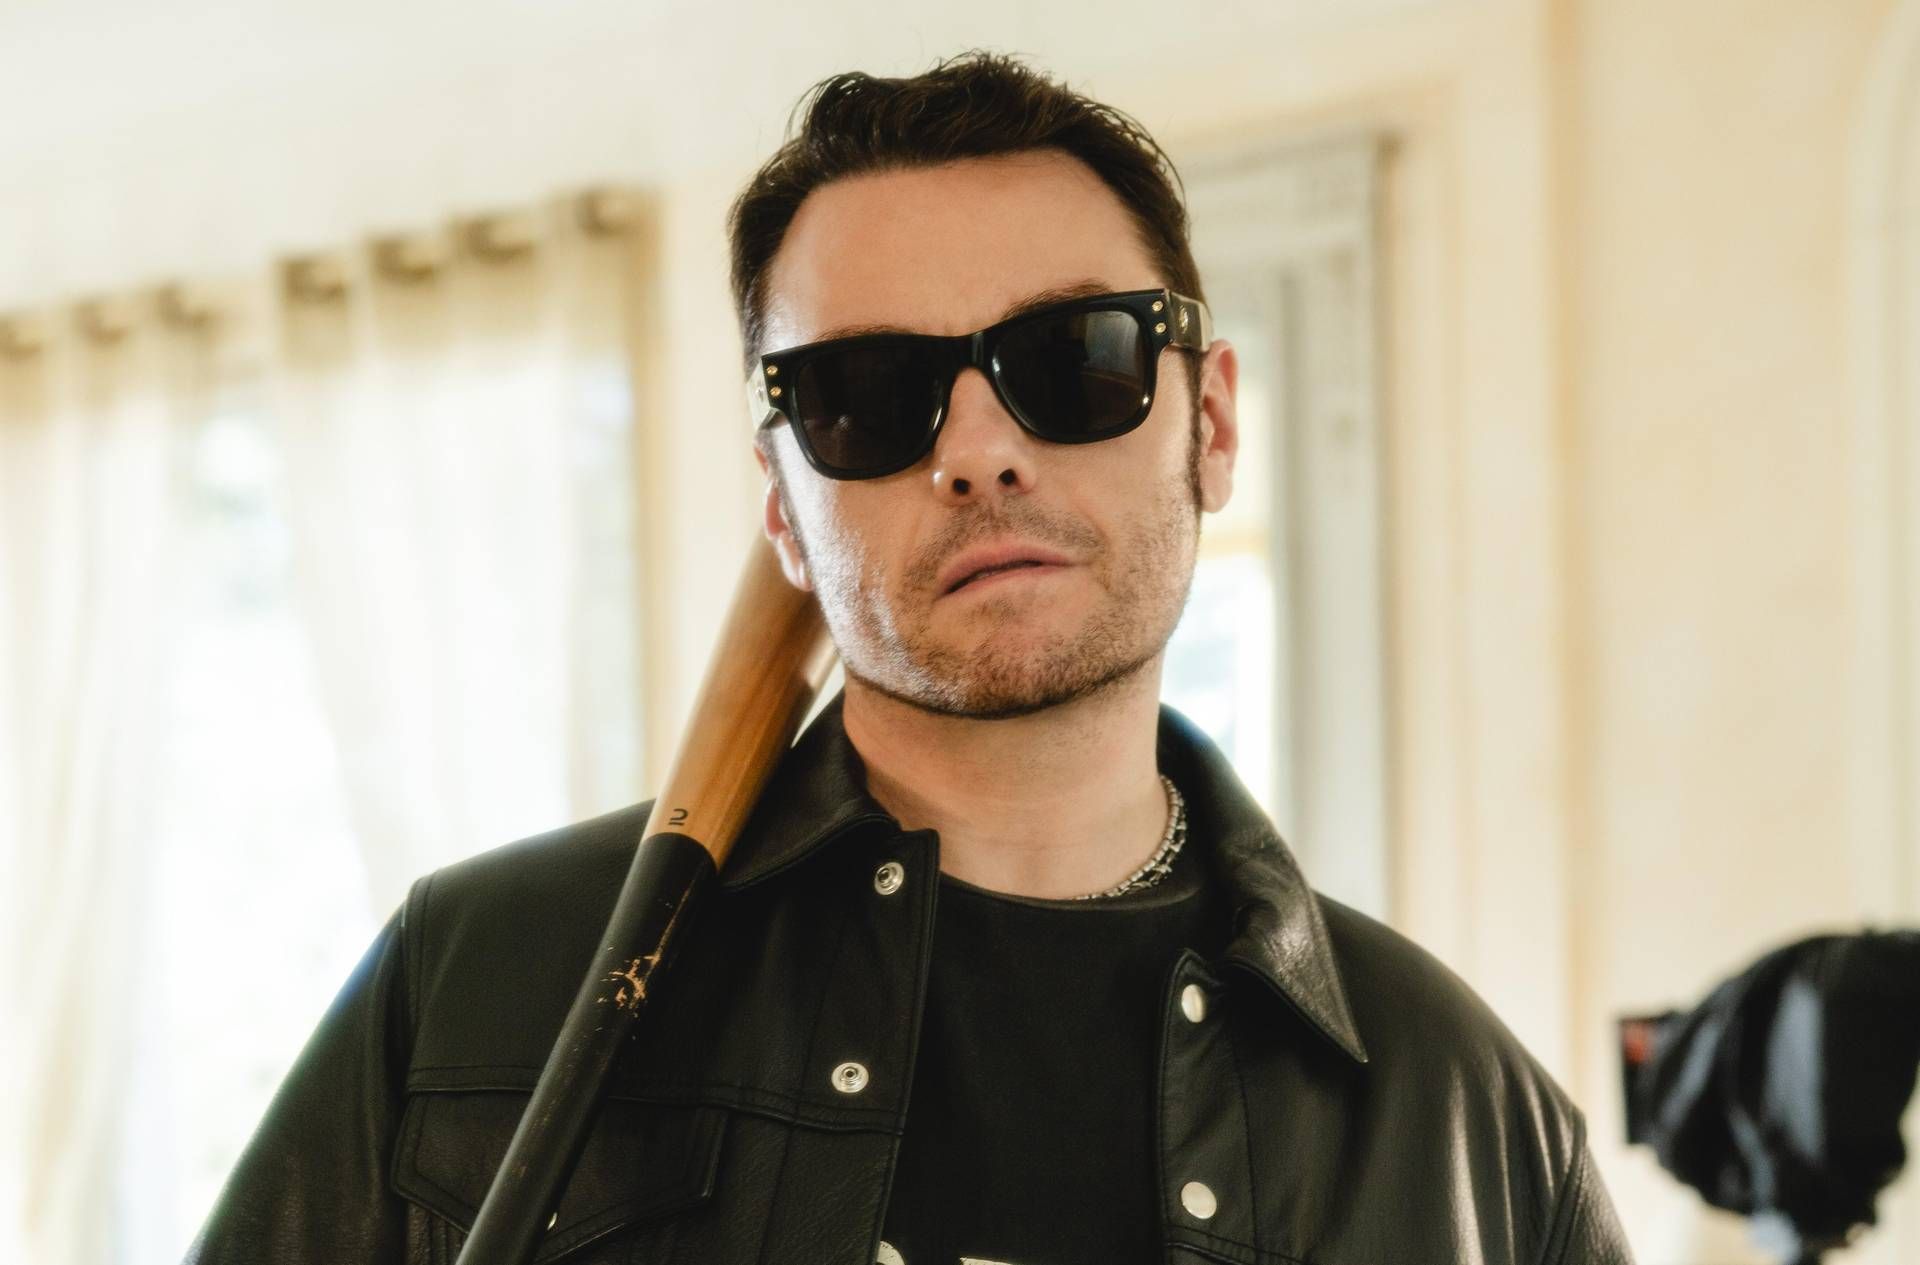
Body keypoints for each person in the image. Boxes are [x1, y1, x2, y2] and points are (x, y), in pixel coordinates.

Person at [189, 52, 1635, 1265]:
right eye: (867, 394)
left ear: (1209, 425)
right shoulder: (476, 992)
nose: (979, 451)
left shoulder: (1470, 1126)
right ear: (783, 507)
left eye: (1075, 357)